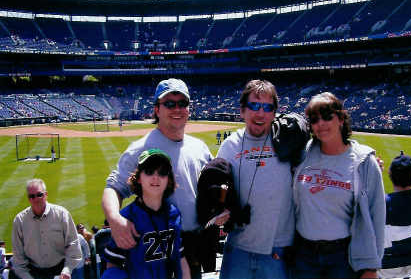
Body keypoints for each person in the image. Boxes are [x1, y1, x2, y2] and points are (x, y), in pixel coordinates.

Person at [102, 78, 213, 279]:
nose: (177, 109)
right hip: (155, 251)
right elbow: (114, 187)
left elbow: (211, 189)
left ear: (189, 109)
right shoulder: (141, 148)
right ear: (156, 110)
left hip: (192, 250)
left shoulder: (200, 148)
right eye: (169, 103)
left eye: (182, 103)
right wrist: (115, 219)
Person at [292, 92, 385, 279]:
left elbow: (377, 217)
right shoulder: (303, 154)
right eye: (314, 119)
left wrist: (371, 267)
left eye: (327, 116)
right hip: (303, 255)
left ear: (341, 119)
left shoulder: (364, 162)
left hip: (342, 257)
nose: (321, 124)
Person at [217, 79, 295, 279]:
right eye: (254, 105)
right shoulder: (229, 146)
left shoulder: (289, 140)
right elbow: (219, 188)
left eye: (267, 107)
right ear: (242, 110)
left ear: (274, 113)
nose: (261, 113)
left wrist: (360, 154)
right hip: (237, 250)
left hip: (278, 251)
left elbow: (324, 152)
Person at [101, 149, 189, 279]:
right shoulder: (126, 219)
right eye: (149, 171)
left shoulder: (174, 214)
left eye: (162, 173)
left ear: (168, 180)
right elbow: (112, 266)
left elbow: (180, 258)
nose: (155, 177)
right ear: (139, 178)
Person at [11, 179, 82, 279]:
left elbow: (73, 244)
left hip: (60, 271)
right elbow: (18, 256)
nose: (36, 199)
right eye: (32, 196)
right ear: (28, 198)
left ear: (46, 194)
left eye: (39, 194)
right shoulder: (20, 221)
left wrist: (67, 269)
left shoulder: (62, 214)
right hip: (33, 273)